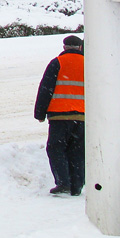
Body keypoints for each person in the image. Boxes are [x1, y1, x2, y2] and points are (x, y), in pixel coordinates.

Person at [34, 34, 85, 196]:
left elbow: (45, 88)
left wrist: (40, 113)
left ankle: (63, 183)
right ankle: (76, 186)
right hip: (82, 117)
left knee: (56, 149)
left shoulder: (57, 63)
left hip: (59, 116)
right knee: (77, 151)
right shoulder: (89, 64)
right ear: (80, 48)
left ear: (64, 48)